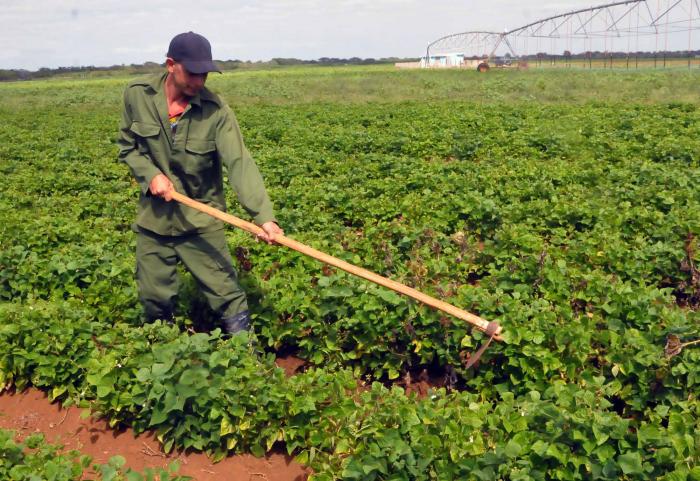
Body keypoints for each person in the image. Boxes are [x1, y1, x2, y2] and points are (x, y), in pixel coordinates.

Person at [117, 31, 283, 335]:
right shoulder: (137, 95)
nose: (199, 81)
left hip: (201, 219)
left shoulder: (216, 110)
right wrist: (150, 174)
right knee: (154, 297)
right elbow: (128, 147)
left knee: (226, 294)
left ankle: (248, 362)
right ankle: (161, 358)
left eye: (204, 73)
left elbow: (240, 163)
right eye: (193, 73)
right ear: (171, 65)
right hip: (154, 221)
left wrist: (264, 218)